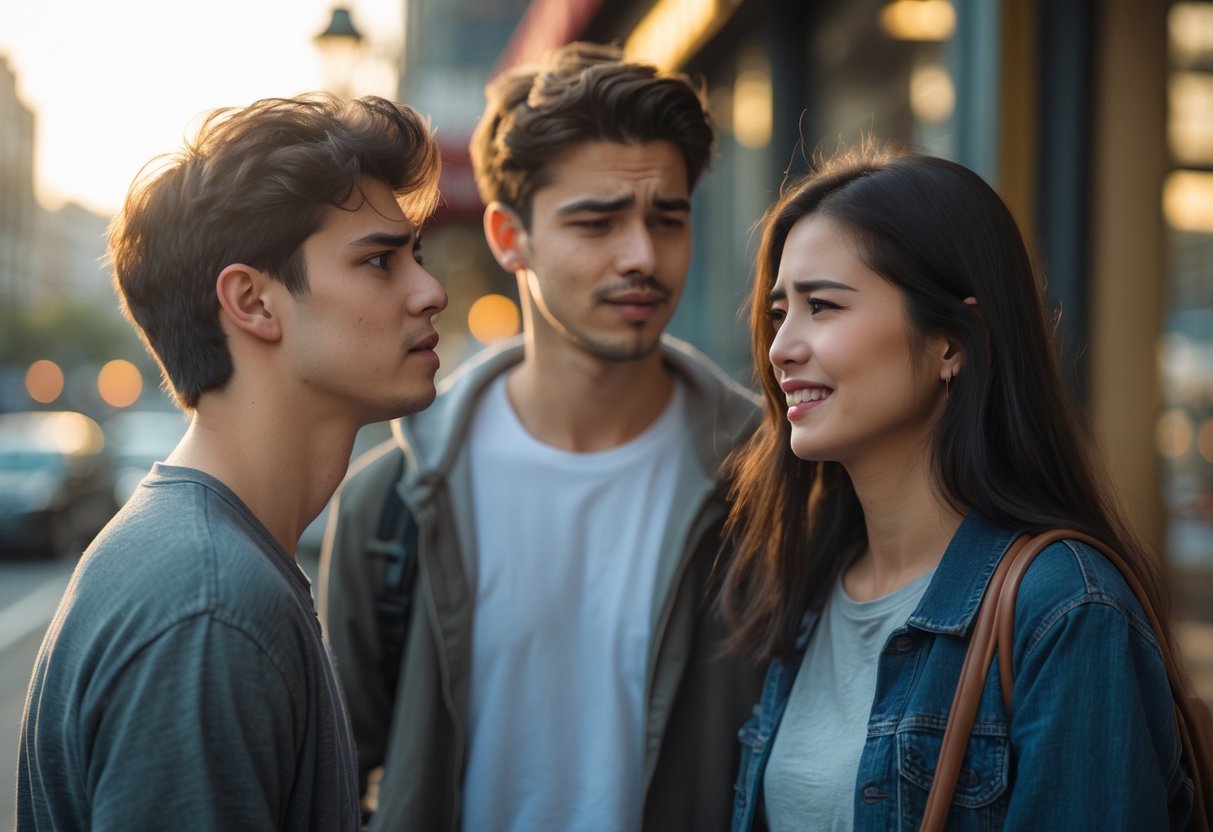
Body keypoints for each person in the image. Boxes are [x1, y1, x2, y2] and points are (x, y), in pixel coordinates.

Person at [319, 41, 763, 831]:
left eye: (668, 218)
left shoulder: (768, 481)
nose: (641, 256)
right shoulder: (388, 507)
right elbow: (331, 784)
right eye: (595, 221)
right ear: (505, 235)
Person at [721, 145, 1191, 830]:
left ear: (951, 341)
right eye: (777, 313)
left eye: (821, 306)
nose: (781, 347)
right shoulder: (806, 586)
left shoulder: (1064, 611)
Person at [16, 94, 447, 831]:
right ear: (252, 301)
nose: (430, 291)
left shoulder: (206, 565)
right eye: (380, 260)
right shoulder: (210, 612)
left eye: (416, 256)